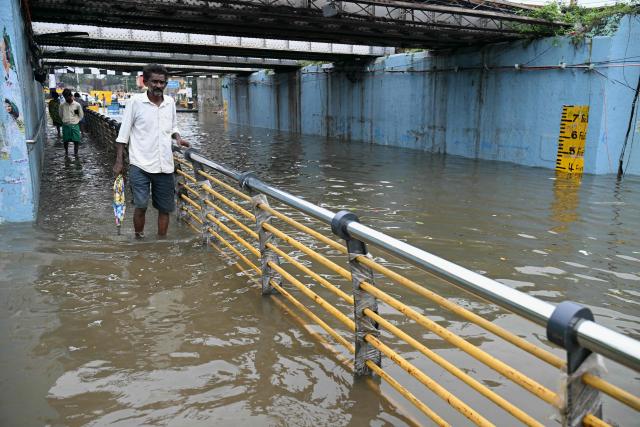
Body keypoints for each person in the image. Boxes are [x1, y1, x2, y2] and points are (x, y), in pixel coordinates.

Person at [113, 64, 190, 238]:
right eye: (154, 81)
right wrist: (119, 161)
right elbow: (122, 135)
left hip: (164, 166)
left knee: (165, 209)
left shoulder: (170, 102)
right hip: (140, 165)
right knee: (141, 205)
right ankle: (139, 239)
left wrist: (177, 137)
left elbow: (173, 126)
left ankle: (161, 243)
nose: (158, 86)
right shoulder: (135, 102)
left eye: (162, 82)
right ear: (146, 82)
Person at [59, 88, 84, 156]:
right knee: (65, 141)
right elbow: (60, 115)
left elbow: (81, 115)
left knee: (76, 141)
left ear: (71, 96)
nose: (66, 98)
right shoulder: (62, 105)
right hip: (66, 125)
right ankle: (66, 153)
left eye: (67, 96)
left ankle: (76, 154)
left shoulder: (77, 105)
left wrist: (76, 121)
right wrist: (65, 120)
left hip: (75, 125)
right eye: (65, 97)